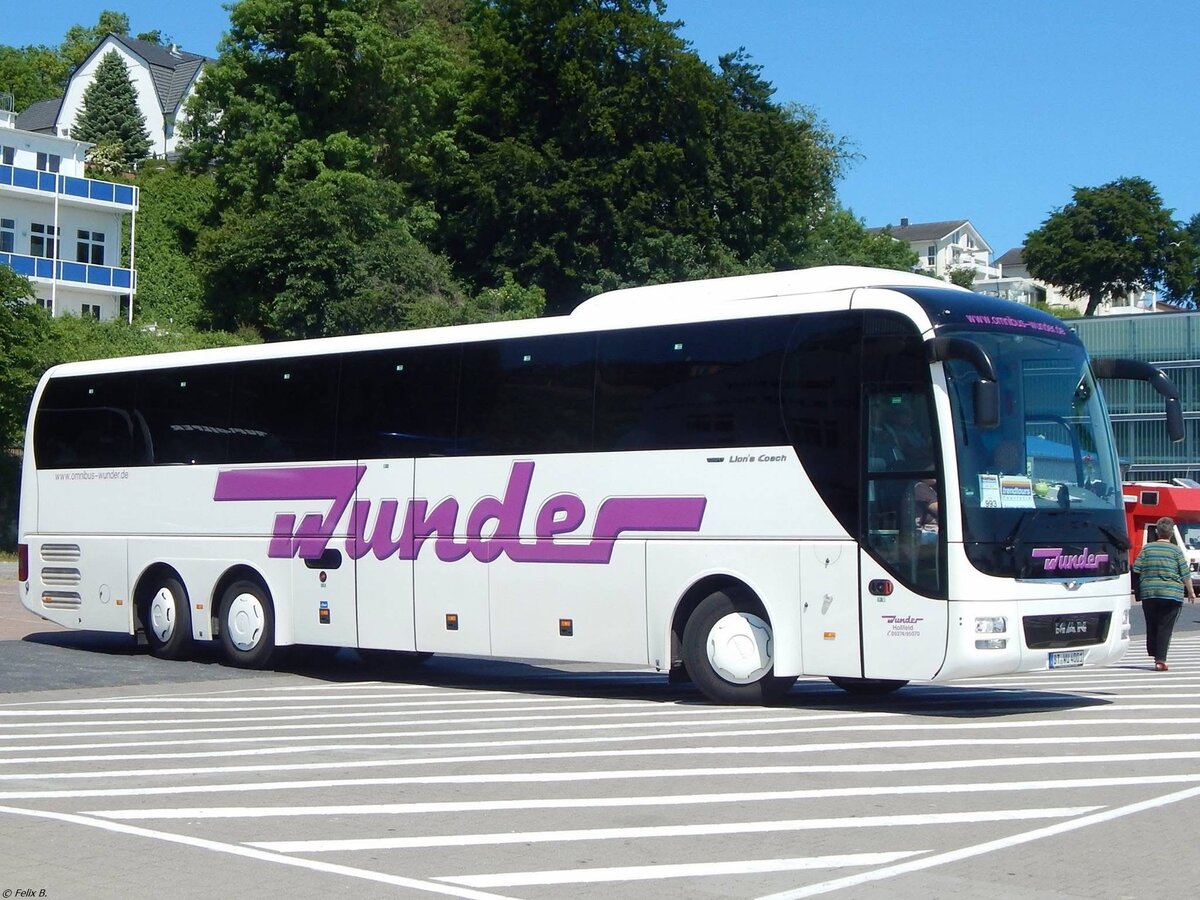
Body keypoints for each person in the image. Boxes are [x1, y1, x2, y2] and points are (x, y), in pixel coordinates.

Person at [1132, 515, 1196, 671]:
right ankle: (1160, 659)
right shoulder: (1176, 550)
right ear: (1171, 533)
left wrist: (1137, 590)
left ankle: (1153, 650)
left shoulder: (1147, 548)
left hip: (1150, 593)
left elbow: (1136, 569)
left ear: (1157, 532)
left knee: (1152, 624)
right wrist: (1191, 592)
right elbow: (1185, 573)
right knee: (1165, 626)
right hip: (1171, 594)